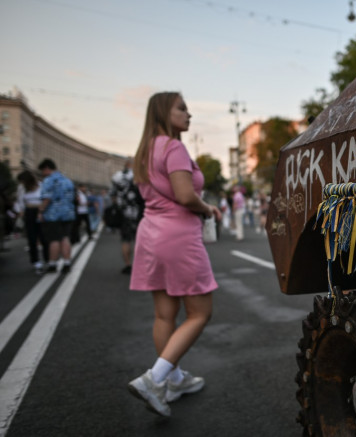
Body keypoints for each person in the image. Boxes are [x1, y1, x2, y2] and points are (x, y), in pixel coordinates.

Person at [127, 92, 221, 417]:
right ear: (163, 112)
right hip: (178, 236)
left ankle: (176, 379)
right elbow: (184, 195)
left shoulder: (144, 150)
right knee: (199, 313)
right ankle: (154, 380)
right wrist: (208, 208)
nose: (189, 114)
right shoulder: (173, 147)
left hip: (151, 234)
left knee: (164, 315)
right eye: (182, 108)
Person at [38, 158, 75, 274]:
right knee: (65, 238)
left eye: (43, 171)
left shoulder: (48, 181)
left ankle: (52, 264)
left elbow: (47, 198)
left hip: (53, 215)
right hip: (68, 214)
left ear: (47, 168)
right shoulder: (67, 180)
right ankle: (67, 263)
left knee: (54, 240)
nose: (42, 174)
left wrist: (41, 211)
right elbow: (73, 197)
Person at [110, 159, 144, 274]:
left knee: (125, 240)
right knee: (140, 240)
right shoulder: (139, 175)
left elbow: (113, 195)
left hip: (124, 213)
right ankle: (140, 265)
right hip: (139, 212)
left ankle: (128, 265)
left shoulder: (117, 177)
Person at [15, 171, 49, 274]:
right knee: (32, 238)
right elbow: (20, 202)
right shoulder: (22, 189)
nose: (22, 184)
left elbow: (45, 199)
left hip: (41, 212)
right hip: (29, 213)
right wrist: (21, 212)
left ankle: (48, 260)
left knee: (44, 237)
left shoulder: (41, 186)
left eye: (23, 181)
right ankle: (36, 262)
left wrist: (41, 210)